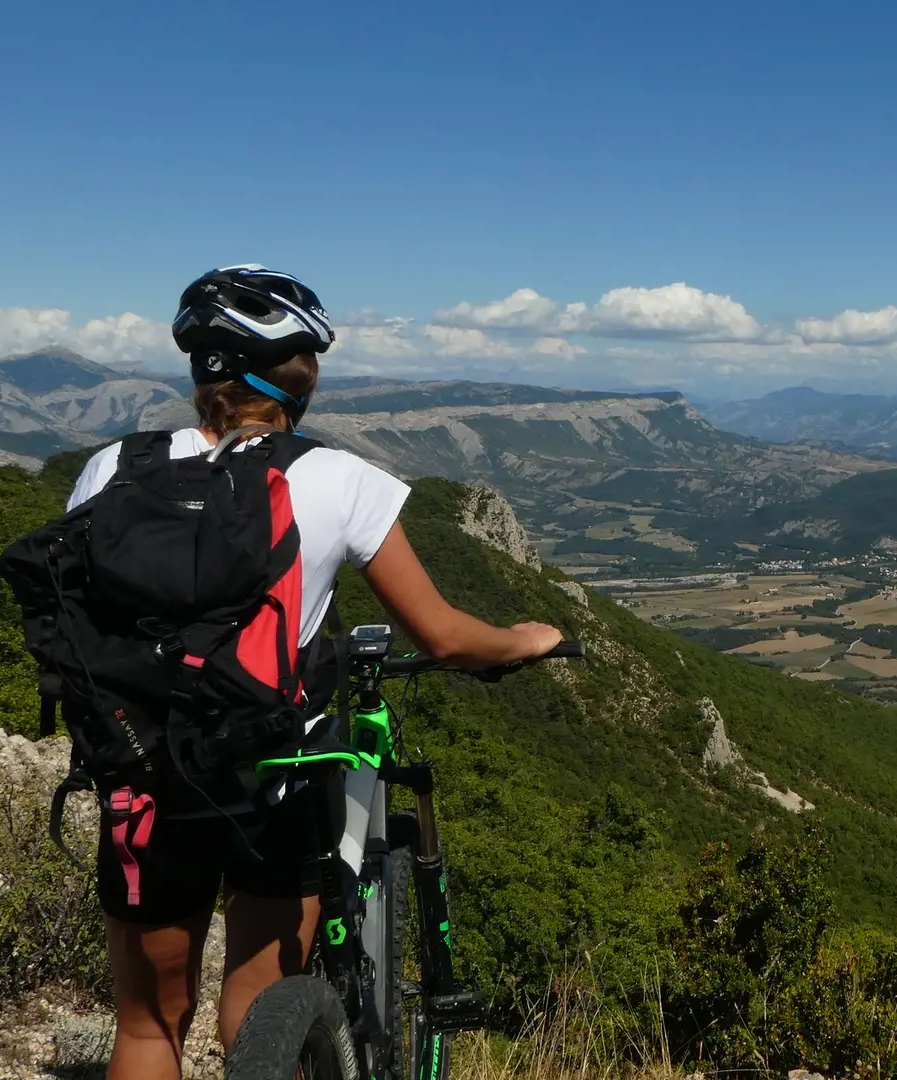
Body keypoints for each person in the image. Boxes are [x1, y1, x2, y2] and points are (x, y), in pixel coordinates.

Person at [64, 265, 564, 1080]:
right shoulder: (335, 477)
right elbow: (443, 637)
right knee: (261, 1006)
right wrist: (523, 640)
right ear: (299, 379)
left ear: (201, 370)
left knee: (149, 1024)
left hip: (140, 769)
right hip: (270, 776)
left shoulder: (111, 468)